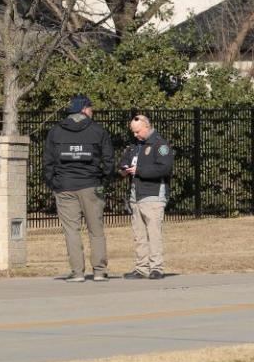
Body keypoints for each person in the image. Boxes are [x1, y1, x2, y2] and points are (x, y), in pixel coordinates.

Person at [43, 95, 114, 282]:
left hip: (64, 186)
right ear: (84, 109)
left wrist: (54, 183)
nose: (93, 112)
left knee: (71, 230)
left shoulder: (55, 131)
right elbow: (108, 161)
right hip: (91, 185)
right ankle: (99, 271)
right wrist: (103, 180)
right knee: (96, 229)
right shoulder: (98, 131)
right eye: (91, 108)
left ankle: (77, 273)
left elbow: (47, 162)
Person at [119, 114, 173, 280]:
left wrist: (139, 171)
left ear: (146, 127)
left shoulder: (160, 145)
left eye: (137, 132)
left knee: (154, 233)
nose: (135, 135)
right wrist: (123, 169)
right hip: (136, 195)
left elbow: (164, 168)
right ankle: (141, 268)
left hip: (153, 195)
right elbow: (123, 163)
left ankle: (156, 267)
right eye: (133, 132)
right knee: (139, 234)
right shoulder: (134, 147)